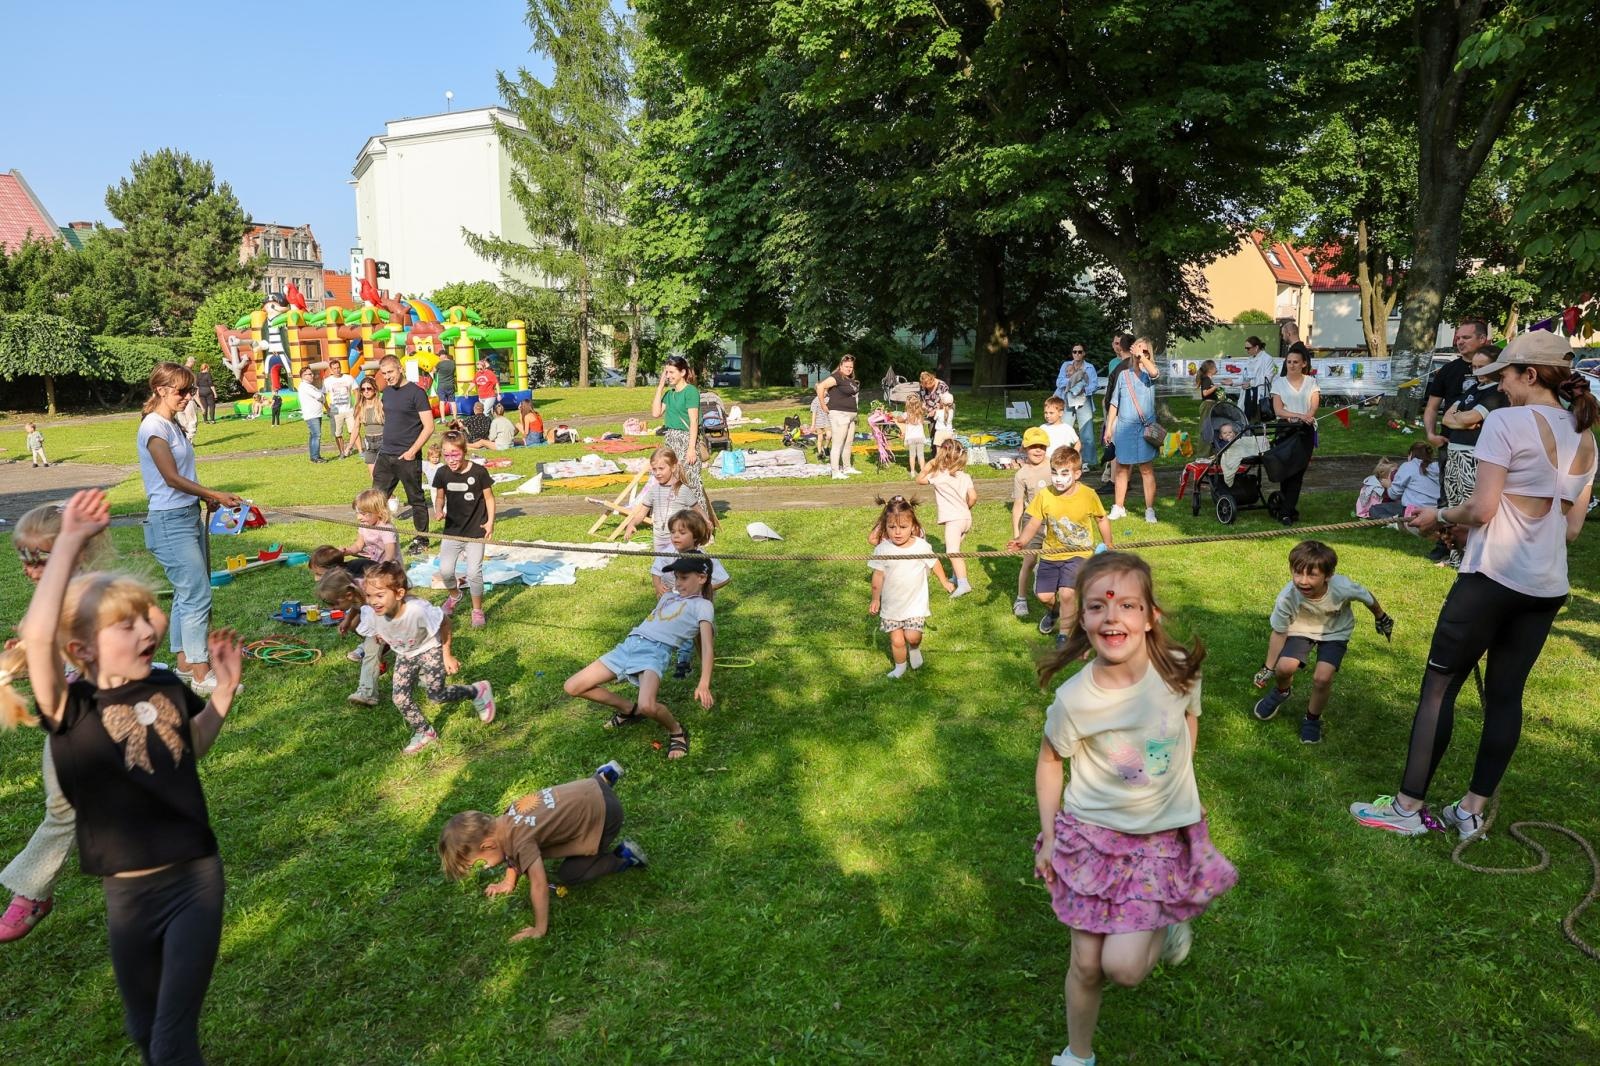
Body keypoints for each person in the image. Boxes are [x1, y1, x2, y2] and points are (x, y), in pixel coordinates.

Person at [2, 488, 244, 1066]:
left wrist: (224, 697)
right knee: (141, 1026)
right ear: (81, 649)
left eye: (143, 619)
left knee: (169, 1038)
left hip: (195, 882)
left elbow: (194, 747)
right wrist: (67, 544)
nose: (145, 630)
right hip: (128, 895)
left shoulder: (165, 688)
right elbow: (39, 637)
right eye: (125, 625)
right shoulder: (71, 708)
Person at [1350, 331, 1595, 838]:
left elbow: (1481, 509)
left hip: (1490, 580)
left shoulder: (1505, 422)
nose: (1499, 387)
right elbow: (1569, 529)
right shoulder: (1586, 435)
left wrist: (1437, 513)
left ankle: (1404, 809)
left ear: (1530, 374)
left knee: (1438, 689)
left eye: (1504, 376)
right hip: (1545, 587)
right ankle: (1470, 811)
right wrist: (1474, 520)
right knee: (1506, 696)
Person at [1033, 552, 1236, 1066]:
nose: (1112, 616)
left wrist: (1179, 780)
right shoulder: (1074, 700)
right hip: (1090, 839)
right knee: (1086, 963)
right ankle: (1077, 1055)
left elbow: (1189, 721)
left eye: (1127, 605)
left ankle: (1166, 920)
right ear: (1083, 619)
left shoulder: (1180, 675)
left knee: (1123, 967)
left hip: (1157, 842)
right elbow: (1050, 761)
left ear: (1149, 617)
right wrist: (1051, 835)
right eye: (1098, 606)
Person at [0, 502, 112, 943]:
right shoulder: (55, 593)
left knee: (65, 808)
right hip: (67, 715)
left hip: (97, 716)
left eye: (37, 559)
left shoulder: (92, 595)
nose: (29, 570)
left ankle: (32, 892)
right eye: (23, 559)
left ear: (74, 551)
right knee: (74, 804)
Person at [437, 761, 647, 942]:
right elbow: (510, 854)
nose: (488, 866)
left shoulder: (520, 842)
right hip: (591, 786)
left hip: (607, 815)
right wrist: (509, 882)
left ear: (488, 845)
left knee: (570, 874)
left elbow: (539, 884)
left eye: (481, 863)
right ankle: (606, 775)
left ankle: (623, 857)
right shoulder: (508, 816)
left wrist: (539, 928)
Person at [137, 363, 243, 695]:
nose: (188, 397)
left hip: (186, 514)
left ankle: (184, 666)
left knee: (187, 594)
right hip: (169, 522)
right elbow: (170, 477)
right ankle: (201, 674)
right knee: (197, 594)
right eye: (182, 391)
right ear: (161, 390)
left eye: (191, 390)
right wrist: (214, 494)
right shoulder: (154, 427)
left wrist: (204, 499)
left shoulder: (172, 424)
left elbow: (183, 476)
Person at [562, 553, 715, 759]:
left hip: (654, 652)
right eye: (676, 577)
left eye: (684, 578)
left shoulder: (703, 606)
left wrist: (704, 682)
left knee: (648, 705)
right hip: (629, 645)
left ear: (702, 578)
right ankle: (629, 709)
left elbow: (707, 646)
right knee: (572, 686)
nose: (678, 583)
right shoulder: (669, 596)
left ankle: (676, 731)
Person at [1250, 540, 1393, 744]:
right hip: (1301, 628)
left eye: (1312, 575)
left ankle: (1312, 719)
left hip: (1335, 631)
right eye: (1297, 573)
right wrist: (1268, 668)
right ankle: (1282, 692)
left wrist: (1381, 616)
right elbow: (1279, 633)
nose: (1302, 581)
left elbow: (1366, 597)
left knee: (1322, 678)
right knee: (1284, 668)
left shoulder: (1341, 587)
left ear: (1328, 575)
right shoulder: (1287, 597)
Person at [356, 561, 496, 754]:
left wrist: (447, 655)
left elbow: (445, 624)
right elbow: (376, 633)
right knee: (399, 697)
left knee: (436, 695)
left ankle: (476, 691)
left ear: (399, 594)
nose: (373, 601)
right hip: (405, 654)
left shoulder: (417, 610)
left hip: (430, 648)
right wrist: (382, 639)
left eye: (379, 595)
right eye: (369, 596)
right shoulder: (372, 614)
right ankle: (425, 732)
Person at [1007, 446, 1113, 645]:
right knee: (1044, 596)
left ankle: (1064, 634)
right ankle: (1055, 612)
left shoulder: (1088, 495)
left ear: (1077, 474)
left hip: (1079, 552)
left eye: (1065, 473)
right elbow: (1034, 522)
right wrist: (1021, 540)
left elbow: (1101, 519)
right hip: (1051, 552)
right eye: (1054, 473)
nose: (1058, 478)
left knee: (1067, 593)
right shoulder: (1045, 495)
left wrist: (1108, 543)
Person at [868, 495, 955, 678]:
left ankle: (914, 648)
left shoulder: (921, 546)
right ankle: (900, 667)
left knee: (912, 636)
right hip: (892, 605)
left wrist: (945, 581)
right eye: (892, 527)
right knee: (897, 640)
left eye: (903, 527)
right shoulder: (883, 550)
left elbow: (934, 563)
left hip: (915, 603)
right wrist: (875, 598)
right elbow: (878, 575)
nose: (897, 532)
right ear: (885, 527)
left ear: (913, 526)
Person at [1438, 347, 1506, 566]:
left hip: (1472, 455)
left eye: (1481, 366)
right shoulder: (1472, 389)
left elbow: (1472, 418)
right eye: (1474, 366)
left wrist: (1463, 419)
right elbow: (1448, 418)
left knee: (1470, 506)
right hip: (1454, 454)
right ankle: (1456, 556)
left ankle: (1476, 558)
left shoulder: (1496, 392)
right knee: (1453, 504)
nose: (1476, 371)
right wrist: (1462, 420)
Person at [431, 430, 496, 628]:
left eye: (455, 454)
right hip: (453, 530)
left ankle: (477, 610)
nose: (451, 459)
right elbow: (440, 496)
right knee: (446, 570)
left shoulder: (478, 472)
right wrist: (438, 508)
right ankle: (455, 595)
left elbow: (489, 498)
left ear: (464, 451)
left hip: (476, 531)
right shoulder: (442, 473)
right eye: (446, 454)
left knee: (474, 572)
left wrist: (490, 522)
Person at [658, 508, 731, 679]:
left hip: (701, 607)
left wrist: (703, 589)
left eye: (682, 532)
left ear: (696, 536)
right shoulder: (670, 556)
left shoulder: (703, 559)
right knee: (685, 633)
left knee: (703, 637)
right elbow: (657, 570)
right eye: (673, 532)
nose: (675, 536)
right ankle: (683, 663)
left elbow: (725, 578)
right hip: (682, 606)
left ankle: (705, 663)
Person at [373, 355, 435, 555]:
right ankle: (378, 538)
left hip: (407, 456)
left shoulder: (417, 393)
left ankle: (422, 539)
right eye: (384, 374)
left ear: (400, 369)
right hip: (386, 454)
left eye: (390, 372)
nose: (387, 377)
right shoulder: (387, 393)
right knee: (375, 499)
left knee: (416, 499)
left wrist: (412, 451)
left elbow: (429, 426)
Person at [620, 447, 698, 594]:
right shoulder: (654, 491)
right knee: (661, 573)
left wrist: (705, 525)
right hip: (659, 540)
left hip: (676, 541)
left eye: (661, 468)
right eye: (654, 470)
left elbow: (698, 511)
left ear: (673, 467)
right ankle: (664, 604)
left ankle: (685, 600)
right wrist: (631, 524)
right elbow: (642, 512)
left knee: (679, 571)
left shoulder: (683, 490)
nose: (657, 473)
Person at [1103, 337, 1161, 524]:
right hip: (1125, 428)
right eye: (1138, 350)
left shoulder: (1148, 375)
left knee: (1146, 469)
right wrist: (1109, 428)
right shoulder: (1123, 375)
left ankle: (1149, 510)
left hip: (1145, 429)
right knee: (1121, 468)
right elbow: (1114, 403)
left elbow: (1154, 372)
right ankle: (1118, 507)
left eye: (1145, 352)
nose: (1139, 355)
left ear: (1148, 354)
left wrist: (1142, 358)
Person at [651, 355, 713, 526]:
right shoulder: (669, 395)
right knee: (675, 484)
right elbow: (656, 413)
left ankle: (705, 527)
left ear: (683, 372)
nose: (668, 375)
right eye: (666, 372)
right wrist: (660, 386)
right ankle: (683, 525)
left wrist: (691, 448)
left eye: (671, 372)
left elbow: (693, 421)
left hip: (686, 440)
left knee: (693, 484)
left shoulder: (690, 392)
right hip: (671, 440)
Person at [314, 568, 388, 707]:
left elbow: (388, 609)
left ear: (348, 595)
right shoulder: (355, 592)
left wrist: (382, 631)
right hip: (377, 626)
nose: (332, 608)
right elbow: (356, 605)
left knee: (375, 655)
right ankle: (367, 693)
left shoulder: (370, 594)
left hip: (390, 623)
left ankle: (368, 694)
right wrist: (348, 620)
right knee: (370, 651)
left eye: (335, 604)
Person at [916, 439, 977, 598]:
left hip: (954, 520)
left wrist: (929, 464)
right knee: (955, 549)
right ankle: (957, 576)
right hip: (966, 518)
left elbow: (919, 480)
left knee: (952, 551)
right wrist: (966, 508)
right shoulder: (965, 475)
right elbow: (973, 497)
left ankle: (964, 584)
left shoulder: (939, 475)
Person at [1268, 345, 1320, 524]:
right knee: (1286, 471)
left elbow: (1313, 405)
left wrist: (1308, 416)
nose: (1291, 365)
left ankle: (1286, 512)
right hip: (1285, 430)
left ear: (1303, 364)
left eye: (1295, 362)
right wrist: (1297, 416)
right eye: (1289, 362)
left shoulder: (1311, 382)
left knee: (1297, 471)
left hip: (1304, 430)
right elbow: (1278, 409)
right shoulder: (1279, 383)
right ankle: (1287, 508)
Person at [1010, 427, 1054, 620]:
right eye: (1033, 446)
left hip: (1054, 518)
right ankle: (1021, 598)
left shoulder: (1054, 467)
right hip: (1032, 521)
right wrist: (1017, 533)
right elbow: (1019, 504)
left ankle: (1054, 593)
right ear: (1025, 448)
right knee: (1029, 560)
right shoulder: (1022, 475)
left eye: (1042, 446)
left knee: (1055, 558)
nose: (1038, 450)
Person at [817, 354, 862, 480]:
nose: (849, 369)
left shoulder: (849, 379)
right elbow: (821, 386)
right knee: (837, 443)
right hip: (839, 414)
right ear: (841, 366)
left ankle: (847, 467)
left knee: (848, 443)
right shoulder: (837, 377)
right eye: (846, 366)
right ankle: (835, 471)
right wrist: (822, 404)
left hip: (850, 416)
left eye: (851, 367)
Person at [1099, 332, 1136, 486]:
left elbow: (1113, 397)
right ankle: (1124, 480)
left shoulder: (1122, 367)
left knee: (1116, 448)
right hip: (1132, 413)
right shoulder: (1134, 366)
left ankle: (1115, 482)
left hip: (1121, 413)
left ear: (1121, 347)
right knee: (1129, 448)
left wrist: (1110, 417)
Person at [1055, 344, 1099, 467]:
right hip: (1068, 401)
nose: (1077, 354)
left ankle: (1088, 462)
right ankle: (1063, 460)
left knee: (1087, 434)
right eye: (1075, 352)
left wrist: (1082, 389)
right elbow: (1059, 382)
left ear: (1084, 353)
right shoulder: (1066, 365)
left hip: (1084, 401)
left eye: (1080, 352)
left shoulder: (1090, 367)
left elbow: (1094, 385)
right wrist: (1074, 381)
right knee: (1065, 430)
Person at [339, 488, 399, 567]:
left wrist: (379, 569)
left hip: (390, 568)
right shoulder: (364, 525)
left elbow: (390, 556)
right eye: (357, 513)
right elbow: (358, 546)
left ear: (379, 512)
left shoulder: (387, 529)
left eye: (363, 514)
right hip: (374, 564)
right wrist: (346, 551)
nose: (359, 517)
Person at [1387, 442, 1442, 519]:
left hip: (1415, 512)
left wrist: (1388, 485)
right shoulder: (1437, 467)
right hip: (1437, 511)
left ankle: (1395, 522)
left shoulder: (1408, 466)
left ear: (1411, 454)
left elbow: (1394, 495)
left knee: (1376, 509)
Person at [323, 364, 356, 459]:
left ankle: (353, 449)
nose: (337, 370)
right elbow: (323, 395)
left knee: (353, 431)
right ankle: (342, 452)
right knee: (338, 433)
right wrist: (328, 409)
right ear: (331, 370)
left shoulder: (348, 378)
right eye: (334, 368)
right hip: (336, 412)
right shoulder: (327, 381)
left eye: (338, 368)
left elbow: (356, 391)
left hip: (349, 410)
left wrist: (356, 405)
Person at [1241, 336, 1276, 422]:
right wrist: (1232, 382)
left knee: (1257, 422)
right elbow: (1244, 376)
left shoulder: (1267, 359)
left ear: (1256, 347)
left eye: (1248, 348)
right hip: (1248, 395)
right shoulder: (1249, 359)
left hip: (1259, 395)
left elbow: (1268, 378)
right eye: (1245, 348)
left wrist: (1251, 383)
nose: (1247, 350)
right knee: (1246, 421)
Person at [354, 378, 384, 477]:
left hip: (383, 440)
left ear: (374, 389)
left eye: (369, 388)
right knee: (374, 477)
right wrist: (349, 446)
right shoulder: (360, 406)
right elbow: (356, 428)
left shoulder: (381, 404)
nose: (366, 391)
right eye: (363, 389)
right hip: (369, 442)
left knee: (385, 476)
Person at [296, 367, 327, 463]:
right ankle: (315, 457)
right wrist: (322, 396)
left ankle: (314, 456)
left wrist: (321, 396)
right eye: (309, 374)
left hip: (315, 414)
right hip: (312, 415)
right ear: (303, 376)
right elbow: (319, 396)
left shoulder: (309, 386)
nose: (312, 375)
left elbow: (320, 396)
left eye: (312, 373)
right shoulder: (305, 386)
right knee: (316, 435)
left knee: (313, 435)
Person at [896, 395, 928, 475]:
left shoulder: (906, 414)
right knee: (921, 455)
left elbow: (899, 419)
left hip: (911, 438)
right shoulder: (921, 413)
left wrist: (898, 417)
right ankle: (922, 471)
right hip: (920, 437)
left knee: (912, 455)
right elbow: (924, 413)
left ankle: (912, 471)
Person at [1195, 359, 1220, 429]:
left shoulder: (1208, 379)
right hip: (1207, 405)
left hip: (1210, 405)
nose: (1216, 369)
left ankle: (1208, 439)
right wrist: (1214, 387)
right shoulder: (1206, 379)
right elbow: (1205, 393)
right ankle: (1203, 439)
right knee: (1204, 425)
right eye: (1215, 367)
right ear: (1210, 369)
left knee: (1208, 425)